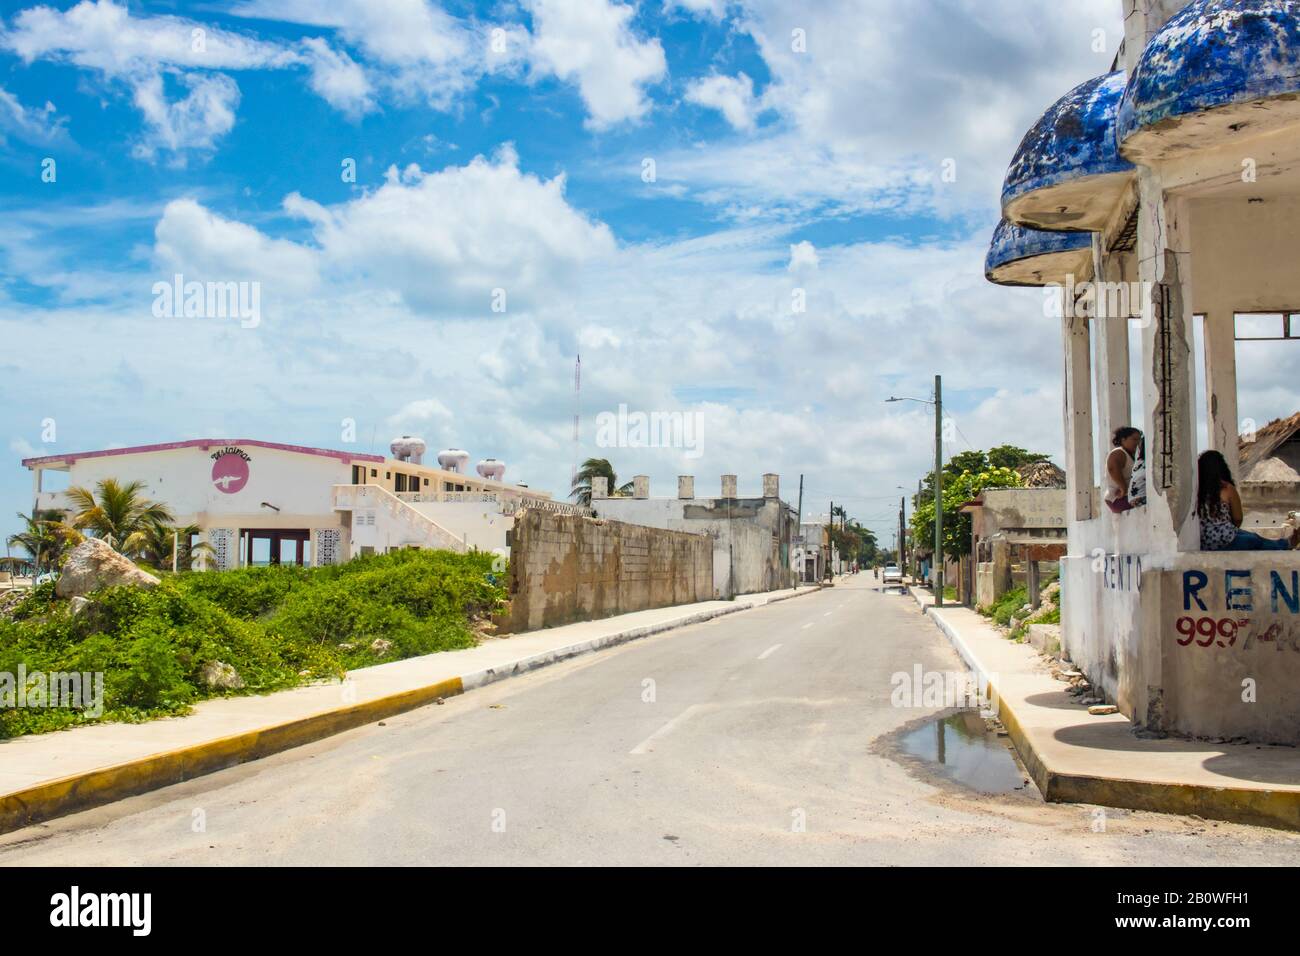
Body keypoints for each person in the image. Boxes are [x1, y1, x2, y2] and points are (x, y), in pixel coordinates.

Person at [1197, 450, 1300, 551]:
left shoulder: (1197, 490)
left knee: (1249, 536)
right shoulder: (1226, 488)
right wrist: (1230, 532)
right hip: (1225, 540)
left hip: (1204, 541)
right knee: (1254, 540)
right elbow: (1238, 518)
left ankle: (1286, 543)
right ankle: (1285, 545)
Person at [1105, 426, 1142, 513]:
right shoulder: (1119, 452)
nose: (1138, 442)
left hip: (1125, 497)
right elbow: (1113, 469)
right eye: (1134, 439)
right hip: (1118, 499)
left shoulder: (1131, 455)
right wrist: (1123, 488)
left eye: (1139, 440)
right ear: (1123, 439)